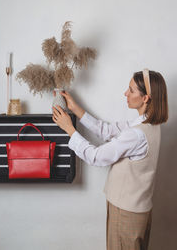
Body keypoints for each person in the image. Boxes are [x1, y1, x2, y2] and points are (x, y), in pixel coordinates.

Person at [52, 69, 168, 250]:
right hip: (138, 210)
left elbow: (96, 156)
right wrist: (76, 109)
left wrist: (70, 130)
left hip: (126, 213)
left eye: (131, 90)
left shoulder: (136, 135)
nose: (125, 93)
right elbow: (106, 130)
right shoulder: (149, 125)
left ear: (145, 98)